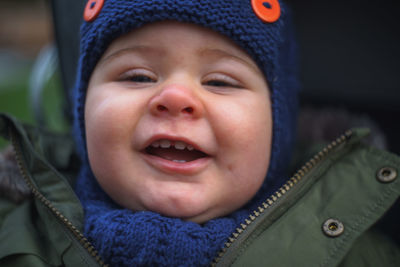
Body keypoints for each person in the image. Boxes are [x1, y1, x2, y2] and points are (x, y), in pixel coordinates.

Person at [0, 0, 399, 266]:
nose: (175, 97)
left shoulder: (355, 254)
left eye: (221, 82)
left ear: (277, 131)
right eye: (137, 75)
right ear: (82, 110)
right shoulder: (15, 237)